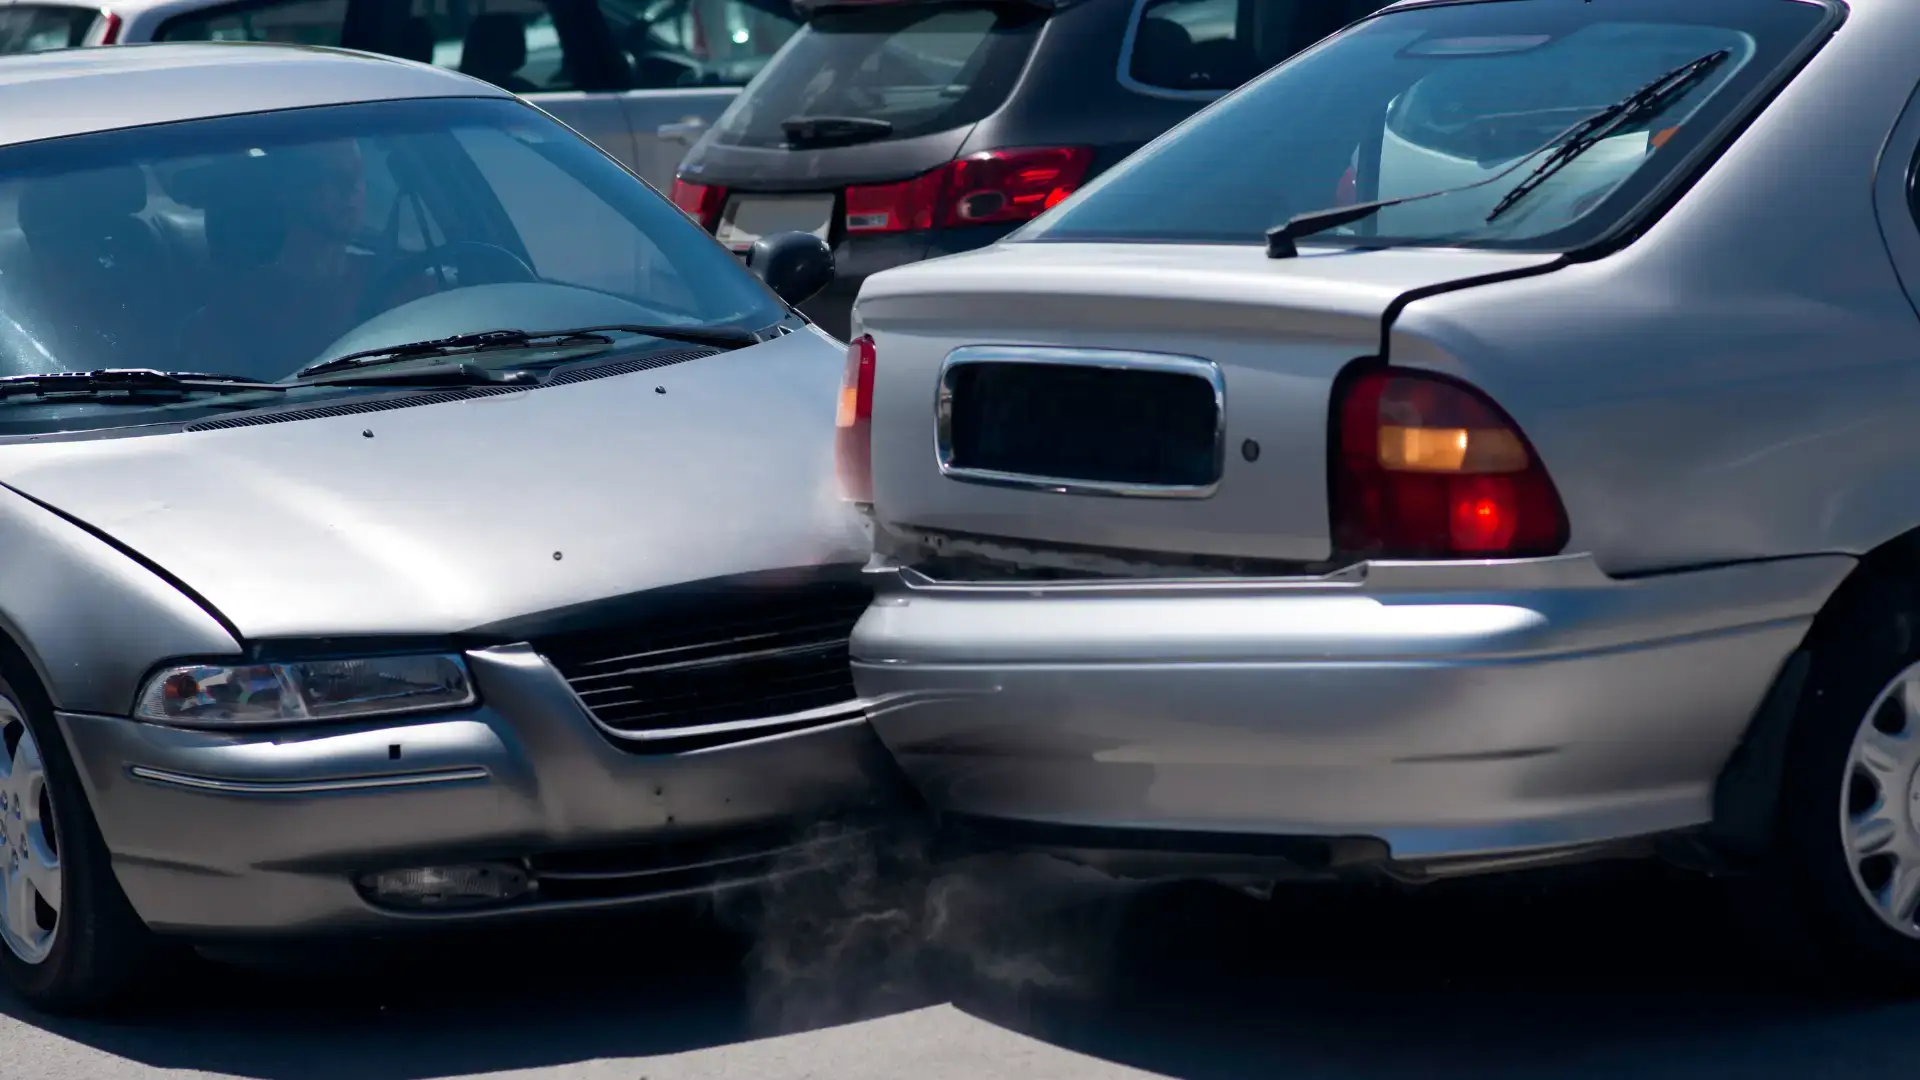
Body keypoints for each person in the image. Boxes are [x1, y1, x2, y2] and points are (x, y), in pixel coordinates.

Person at [176, 138, 432, 377]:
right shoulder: (236, 311)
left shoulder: (404, 284)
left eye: (357, 173)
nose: (351, 187)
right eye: (331, 176)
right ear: (287, 190)